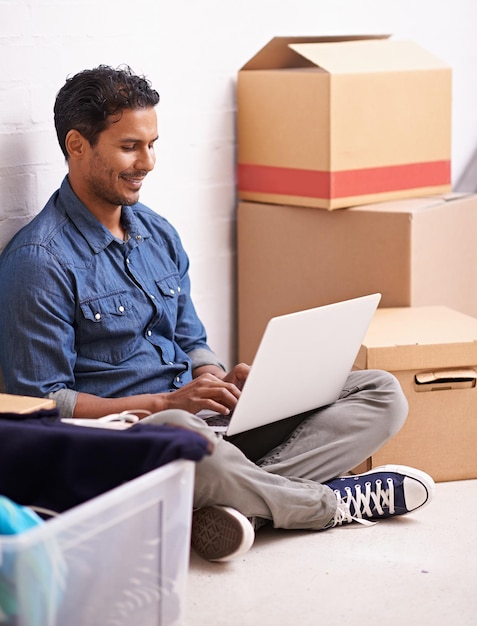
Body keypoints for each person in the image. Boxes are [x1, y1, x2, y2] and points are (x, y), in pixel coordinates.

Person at [0, 65, 435, 562]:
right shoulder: (38, 262)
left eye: (152, 143)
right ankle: (325, 503)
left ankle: (237, 505)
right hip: (136, 435)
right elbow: (40, 405)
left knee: (378, 390)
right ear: (77, 146)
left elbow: (189, 337)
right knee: (184, 441)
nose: (148, 162)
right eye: (129, 147)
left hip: (206, 421)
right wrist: (167, 404)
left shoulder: (157, 232)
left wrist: (219, 380)